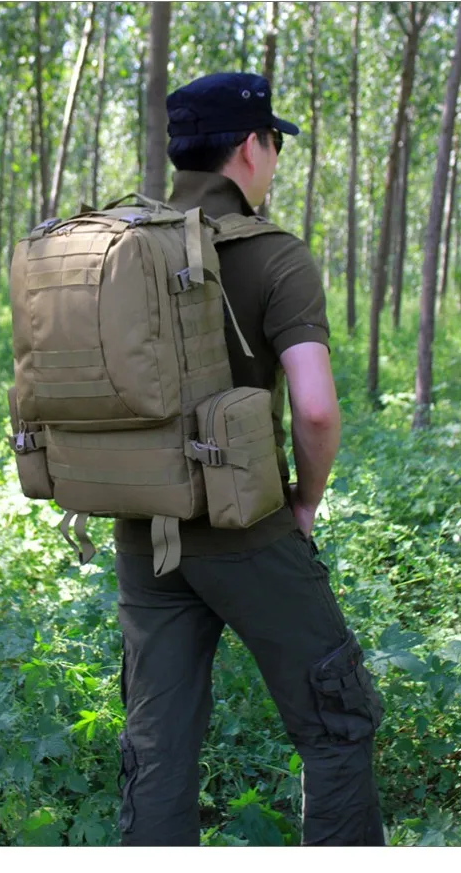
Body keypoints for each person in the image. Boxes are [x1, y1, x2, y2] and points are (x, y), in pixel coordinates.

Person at [113, 72, 385, 847]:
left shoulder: (124, 245)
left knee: (157, 743)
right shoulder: (273, 255)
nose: (273, 161)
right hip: (246, 530)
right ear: (249, 147)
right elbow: (316, 407)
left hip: (143, 529)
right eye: (273, 144)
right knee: (336, 721)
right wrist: (305, 500)